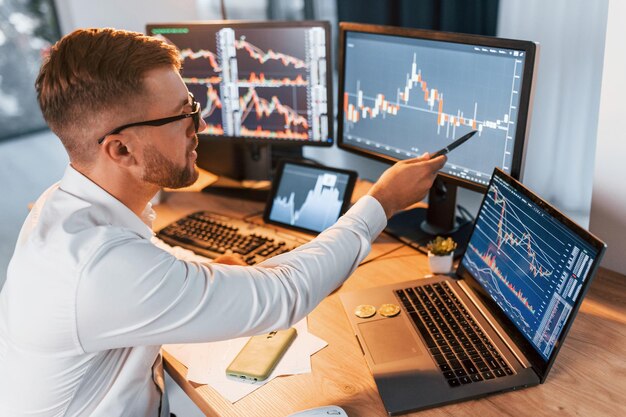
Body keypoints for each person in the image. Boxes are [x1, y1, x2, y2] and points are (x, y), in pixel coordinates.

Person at [0, 28, 446, 417]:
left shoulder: (66, 209)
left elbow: (138, 263)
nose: (200, 124)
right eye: (182, 116)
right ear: (121, 150)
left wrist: (205, 273)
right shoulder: (98, 268)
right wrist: (382, 202)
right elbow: (283, 296)